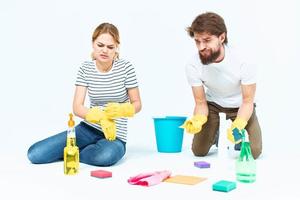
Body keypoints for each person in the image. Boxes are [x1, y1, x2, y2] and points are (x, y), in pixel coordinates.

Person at [27, 23, 142, 166]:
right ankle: (78, 150)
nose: (105, 50)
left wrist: (123, 109)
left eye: (110, 47)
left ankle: (74, 153)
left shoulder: (126, 68)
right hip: (87, 129)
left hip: (115, 137)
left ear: (116, 48)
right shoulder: (85, 68)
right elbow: (77, 107)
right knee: (35, 154)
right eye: (100, 45)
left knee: (105, 156)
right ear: (93, 44)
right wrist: (101, 117)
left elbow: (137, 103)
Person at [181, 12, 262, 159]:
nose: (201, 47)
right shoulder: (192, 65)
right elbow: (200, 103)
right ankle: (216, 131)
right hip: (213, 105)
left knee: (254, 152)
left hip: (241, 106)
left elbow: (247, 101)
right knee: (198, 151)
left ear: (222, 37)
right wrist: (198, 119)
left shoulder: (244, 60)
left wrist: (239, 123)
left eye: (206, 40)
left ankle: (235, 134)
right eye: (197, 41)